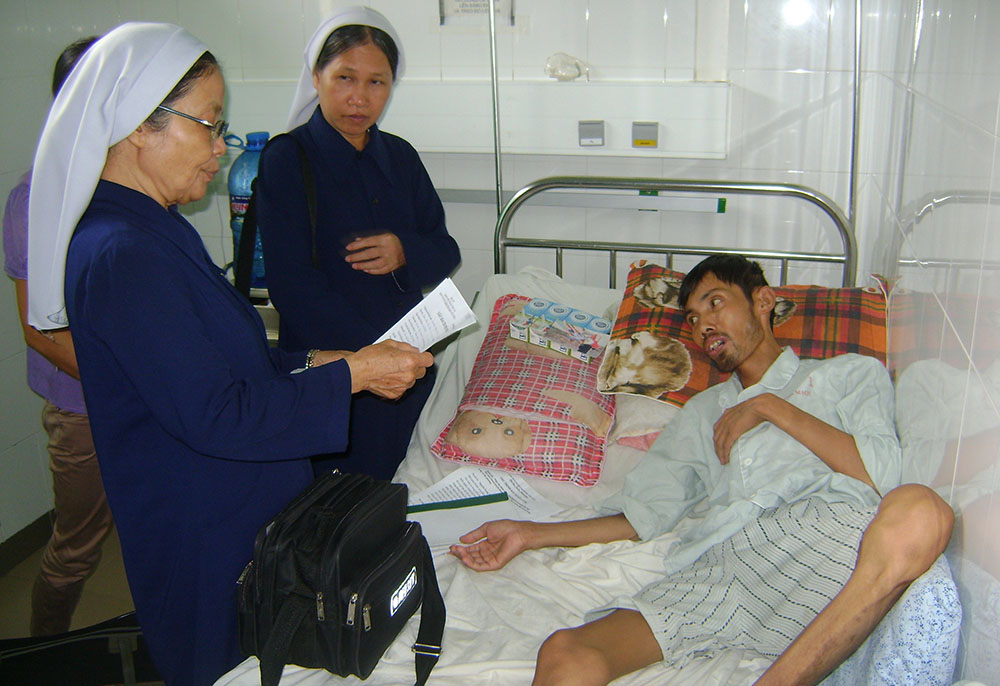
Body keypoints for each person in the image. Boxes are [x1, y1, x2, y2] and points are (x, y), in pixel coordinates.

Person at [26, 22, 432, 686]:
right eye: (209, 125)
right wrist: (357, 372)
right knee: (224, 665)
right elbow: (218, 411)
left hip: (238, 506)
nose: (221, 148)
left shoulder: (156, 228)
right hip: (202, 529)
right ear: (137, 126)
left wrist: (326, 363)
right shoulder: (122, 253)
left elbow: (228, 361)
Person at [451, 254, 955, 686]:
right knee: (566, 652)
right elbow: (644, 515)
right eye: (693, 318)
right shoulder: (702, 412)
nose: (703, 325)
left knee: (921, 510)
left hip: (827, 541)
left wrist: (772, 408)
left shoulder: (846, 374)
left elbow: (881, 475)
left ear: (763, 301)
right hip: (726, 564)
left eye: (715, 303)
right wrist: (529, 533)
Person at [257, 7, 461, 479]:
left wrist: (405, 250)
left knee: (404, 486)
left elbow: (445, 249)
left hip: (407, 370)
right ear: (317, 77)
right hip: (335, 373)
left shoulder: (401, 157)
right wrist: (375, 353)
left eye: (377, 82)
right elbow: (291, 287)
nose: (359, 97)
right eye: (345, 77)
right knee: (337, 505)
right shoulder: (288, 160)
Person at [3, 35, 104, 637]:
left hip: (136, 396)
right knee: (77, 545)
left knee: (150, 522)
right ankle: (44, 655)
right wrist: (129, 383)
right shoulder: (36, 197)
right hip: (83, 403)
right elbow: (42, 333)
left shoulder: (124, 179)